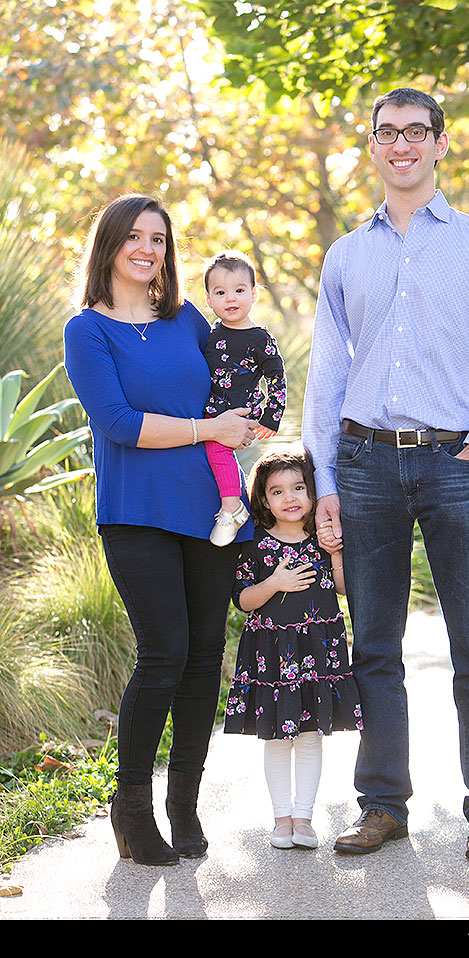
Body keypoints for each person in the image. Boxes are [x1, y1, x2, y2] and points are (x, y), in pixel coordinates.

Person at [302, 87, 469, 860]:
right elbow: (326, 376)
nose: (399, 144)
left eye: (414, 131)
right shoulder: (346, 253)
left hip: (451, 460)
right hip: (364, 461)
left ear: (441, 142)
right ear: (370, 147)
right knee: (372, 642)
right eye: (385, 133)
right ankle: (381, 805)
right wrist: (325, 478)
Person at [63, 193, 257, 866]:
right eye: (136, 237)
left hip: (209, 513)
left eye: (160, 239)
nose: (149, 249)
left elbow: (229, 388)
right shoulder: (86, 330)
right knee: (163, 654)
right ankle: (131, 807)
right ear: (110, 244)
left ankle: (184, 803)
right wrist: (208, 429)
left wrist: (256, 413)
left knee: (205, 655)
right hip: (136, 511)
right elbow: (118, 423)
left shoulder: (187, 319)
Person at [224, 448, 363, 849]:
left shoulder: (321, 541)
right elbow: (243, 599)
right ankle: (281, 818)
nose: (291, 497)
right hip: (272, 652)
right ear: (264, 500)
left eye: (299, 487)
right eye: (278, 491)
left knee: (309, 737)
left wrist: (336, 554)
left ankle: (304, 818)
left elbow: (342, 588)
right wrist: (275, 583)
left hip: (317, 651)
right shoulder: (254, 544)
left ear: (312, 492)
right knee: (276, 737)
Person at [203, 250, 287, 546]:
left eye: (239, 291)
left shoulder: (259, 338)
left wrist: (271, 416)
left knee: (218, 448)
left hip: (240, 413)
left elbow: (276, 377)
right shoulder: (210, 333)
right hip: (212, 410)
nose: (231, 299)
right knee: (210, 453)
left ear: (254, 294)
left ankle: (232, 507)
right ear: (209, 299)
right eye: (221, 292)